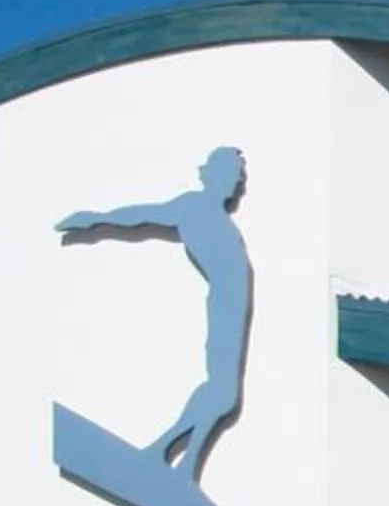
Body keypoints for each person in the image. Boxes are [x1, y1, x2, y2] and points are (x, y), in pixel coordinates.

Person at [57, 147, 251, 476]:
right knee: (222, 395)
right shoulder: (194, 206)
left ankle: (171, 458)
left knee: (222, 396)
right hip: (225, 304)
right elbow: (142, 215)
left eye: (240, 178)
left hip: (233, 305)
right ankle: (177, 463)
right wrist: (97, 219)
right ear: (215, 174)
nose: (238, 185)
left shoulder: (214, 215)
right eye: (234, 175)